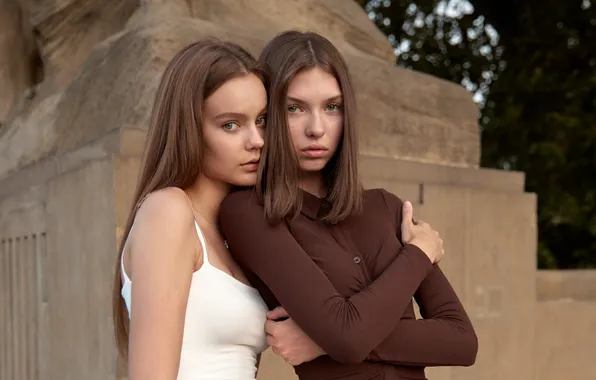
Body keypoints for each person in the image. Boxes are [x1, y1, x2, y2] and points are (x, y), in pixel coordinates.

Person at [219, 31, 478, 380]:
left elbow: (462, 341)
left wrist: (321, 341)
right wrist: (419, 253)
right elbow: (347, 337)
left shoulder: (386, 208)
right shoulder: (250, 212)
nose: (317, 128)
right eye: (294, 108)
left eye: (332, 107)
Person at [111, 38, 311, 380]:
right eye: (230, 125)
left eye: (261, 120)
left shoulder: (235, 228)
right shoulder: (169, 211)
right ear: (189, 128)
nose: (257, 141)